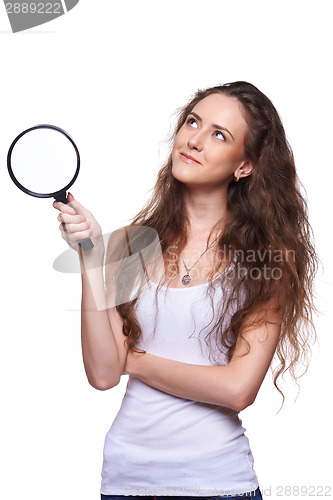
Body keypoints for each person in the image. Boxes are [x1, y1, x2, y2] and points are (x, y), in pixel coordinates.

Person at [53, 81, 318, 500]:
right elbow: (104, 373)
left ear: (244, 165)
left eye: (219, 134)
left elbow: (237, 390)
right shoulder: (129, 244)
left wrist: (134, 361)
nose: (194, 140)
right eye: (192, 122)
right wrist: (89, 255)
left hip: (217, 483)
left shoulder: (267, 261)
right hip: (126, 480)